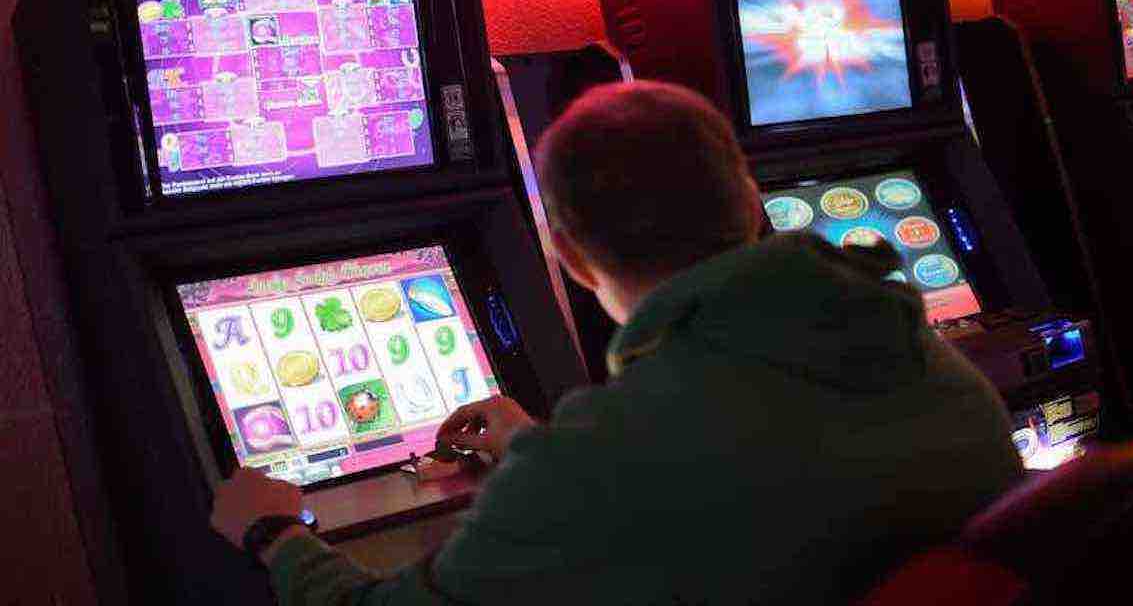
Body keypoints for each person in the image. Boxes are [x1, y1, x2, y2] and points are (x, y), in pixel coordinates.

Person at [212, 81, 1023, 605]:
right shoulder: (920, 353)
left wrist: (275, 533)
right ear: (752, 201)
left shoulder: (599, 462)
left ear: (566, 257)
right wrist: (544, 450)